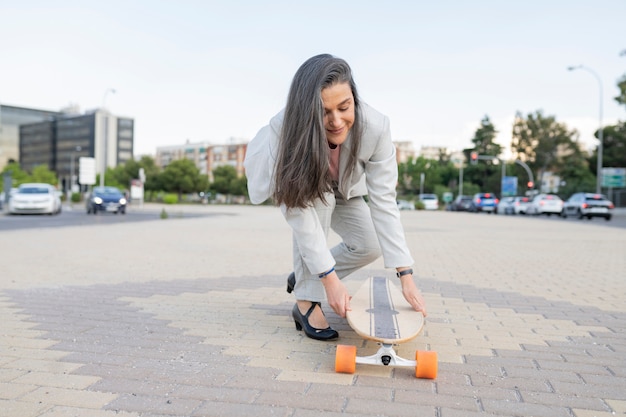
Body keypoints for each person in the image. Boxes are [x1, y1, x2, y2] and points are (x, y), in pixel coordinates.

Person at [244, 54, 427, 341]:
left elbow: (384, 201)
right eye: (324, 112)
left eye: (344, 107)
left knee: (369, 244)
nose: (336, 121)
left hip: (345, 188)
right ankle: (306, 302)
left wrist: (406, 275)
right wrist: (329, 280)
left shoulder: (377, 127)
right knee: (318, 208)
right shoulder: (285, 128)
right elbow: (300, 215)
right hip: (304, 189)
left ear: (354, 97)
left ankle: (307, 275)